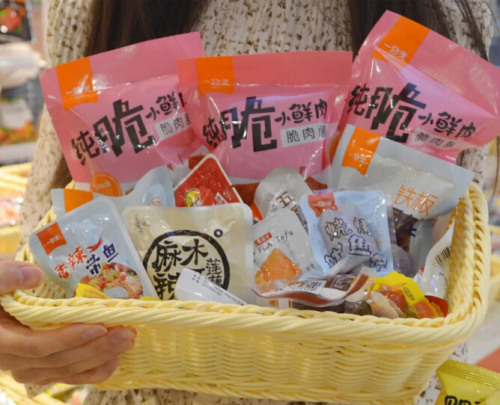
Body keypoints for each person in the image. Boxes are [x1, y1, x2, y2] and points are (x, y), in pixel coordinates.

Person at [0, 0, 493, 404]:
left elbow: (452, 259)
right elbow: (49, 227)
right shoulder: (94, 8)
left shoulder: (447, 12)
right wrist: (28, 331)